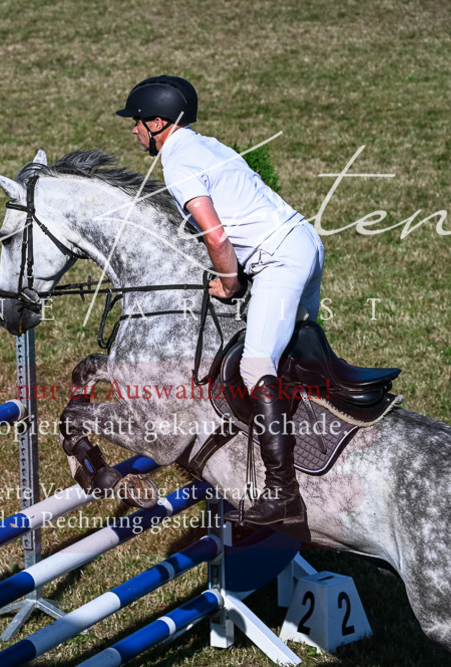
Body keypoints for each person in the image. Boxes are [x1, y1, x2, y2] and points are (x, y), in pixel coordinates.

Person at [116, 75, 325, 526]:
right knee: (294, 351)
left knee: (256, 366)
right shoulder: (204, 144)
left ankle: (283, 493)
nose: (133, 130)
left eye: (137, 122)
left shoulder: (177, 163)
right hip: (305, 241)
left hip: (279, 259)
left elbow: (215, 235)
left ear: (157, 123)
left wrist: (229, 281)